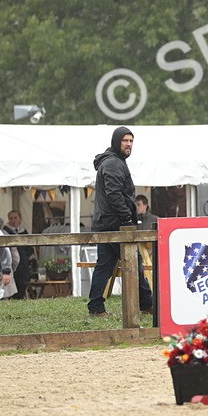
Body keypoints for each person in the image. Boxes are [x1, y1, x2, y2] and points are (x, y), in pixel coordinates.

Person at [89, 126, 154, 316]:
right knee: (135, 263)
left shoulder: (113, 161)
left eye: (131, 141)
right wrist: (126, 217)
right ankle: (147, 304)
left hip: (107, 223)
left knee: (105, 266)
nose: (129, 144)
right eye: (125, 140)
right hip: (116, 224)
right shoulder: (113, 163)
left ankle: (96, 307)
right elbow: (114, 194)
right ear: (116, 141)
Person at [4, 209, 35, 299]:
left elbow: (29, 248)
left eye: (15, 218)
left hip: (24, 265)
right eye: (11, 218)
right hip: (12, 264)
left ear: (20, 219)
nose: (13, 220)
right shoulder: (6, 231)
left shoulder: (24, 231)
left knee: (23, 285)